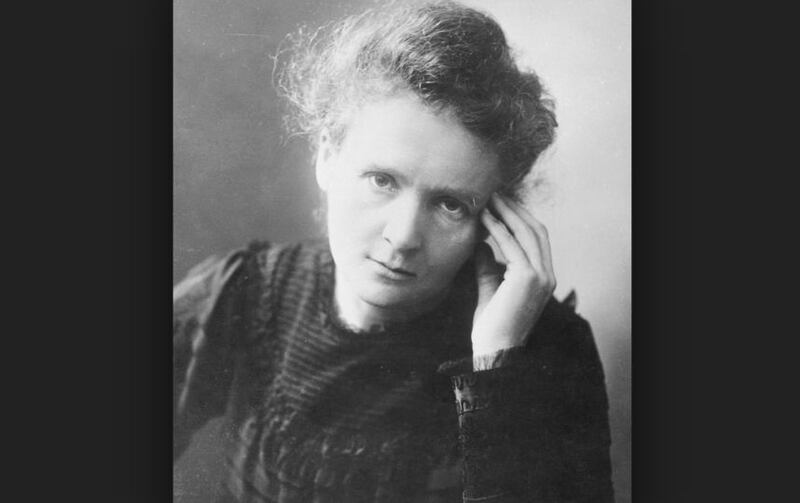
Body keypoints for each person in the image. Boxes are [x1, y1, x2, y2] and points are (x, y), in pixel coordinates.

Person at [173, 1, 615, 501]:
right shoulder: (241, 294)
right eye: (382, 180)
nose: (404, 237)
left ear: (495, 215)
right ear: (327, 157)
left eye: (450, 204)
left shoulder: (550, 348)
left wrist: (496, 364)